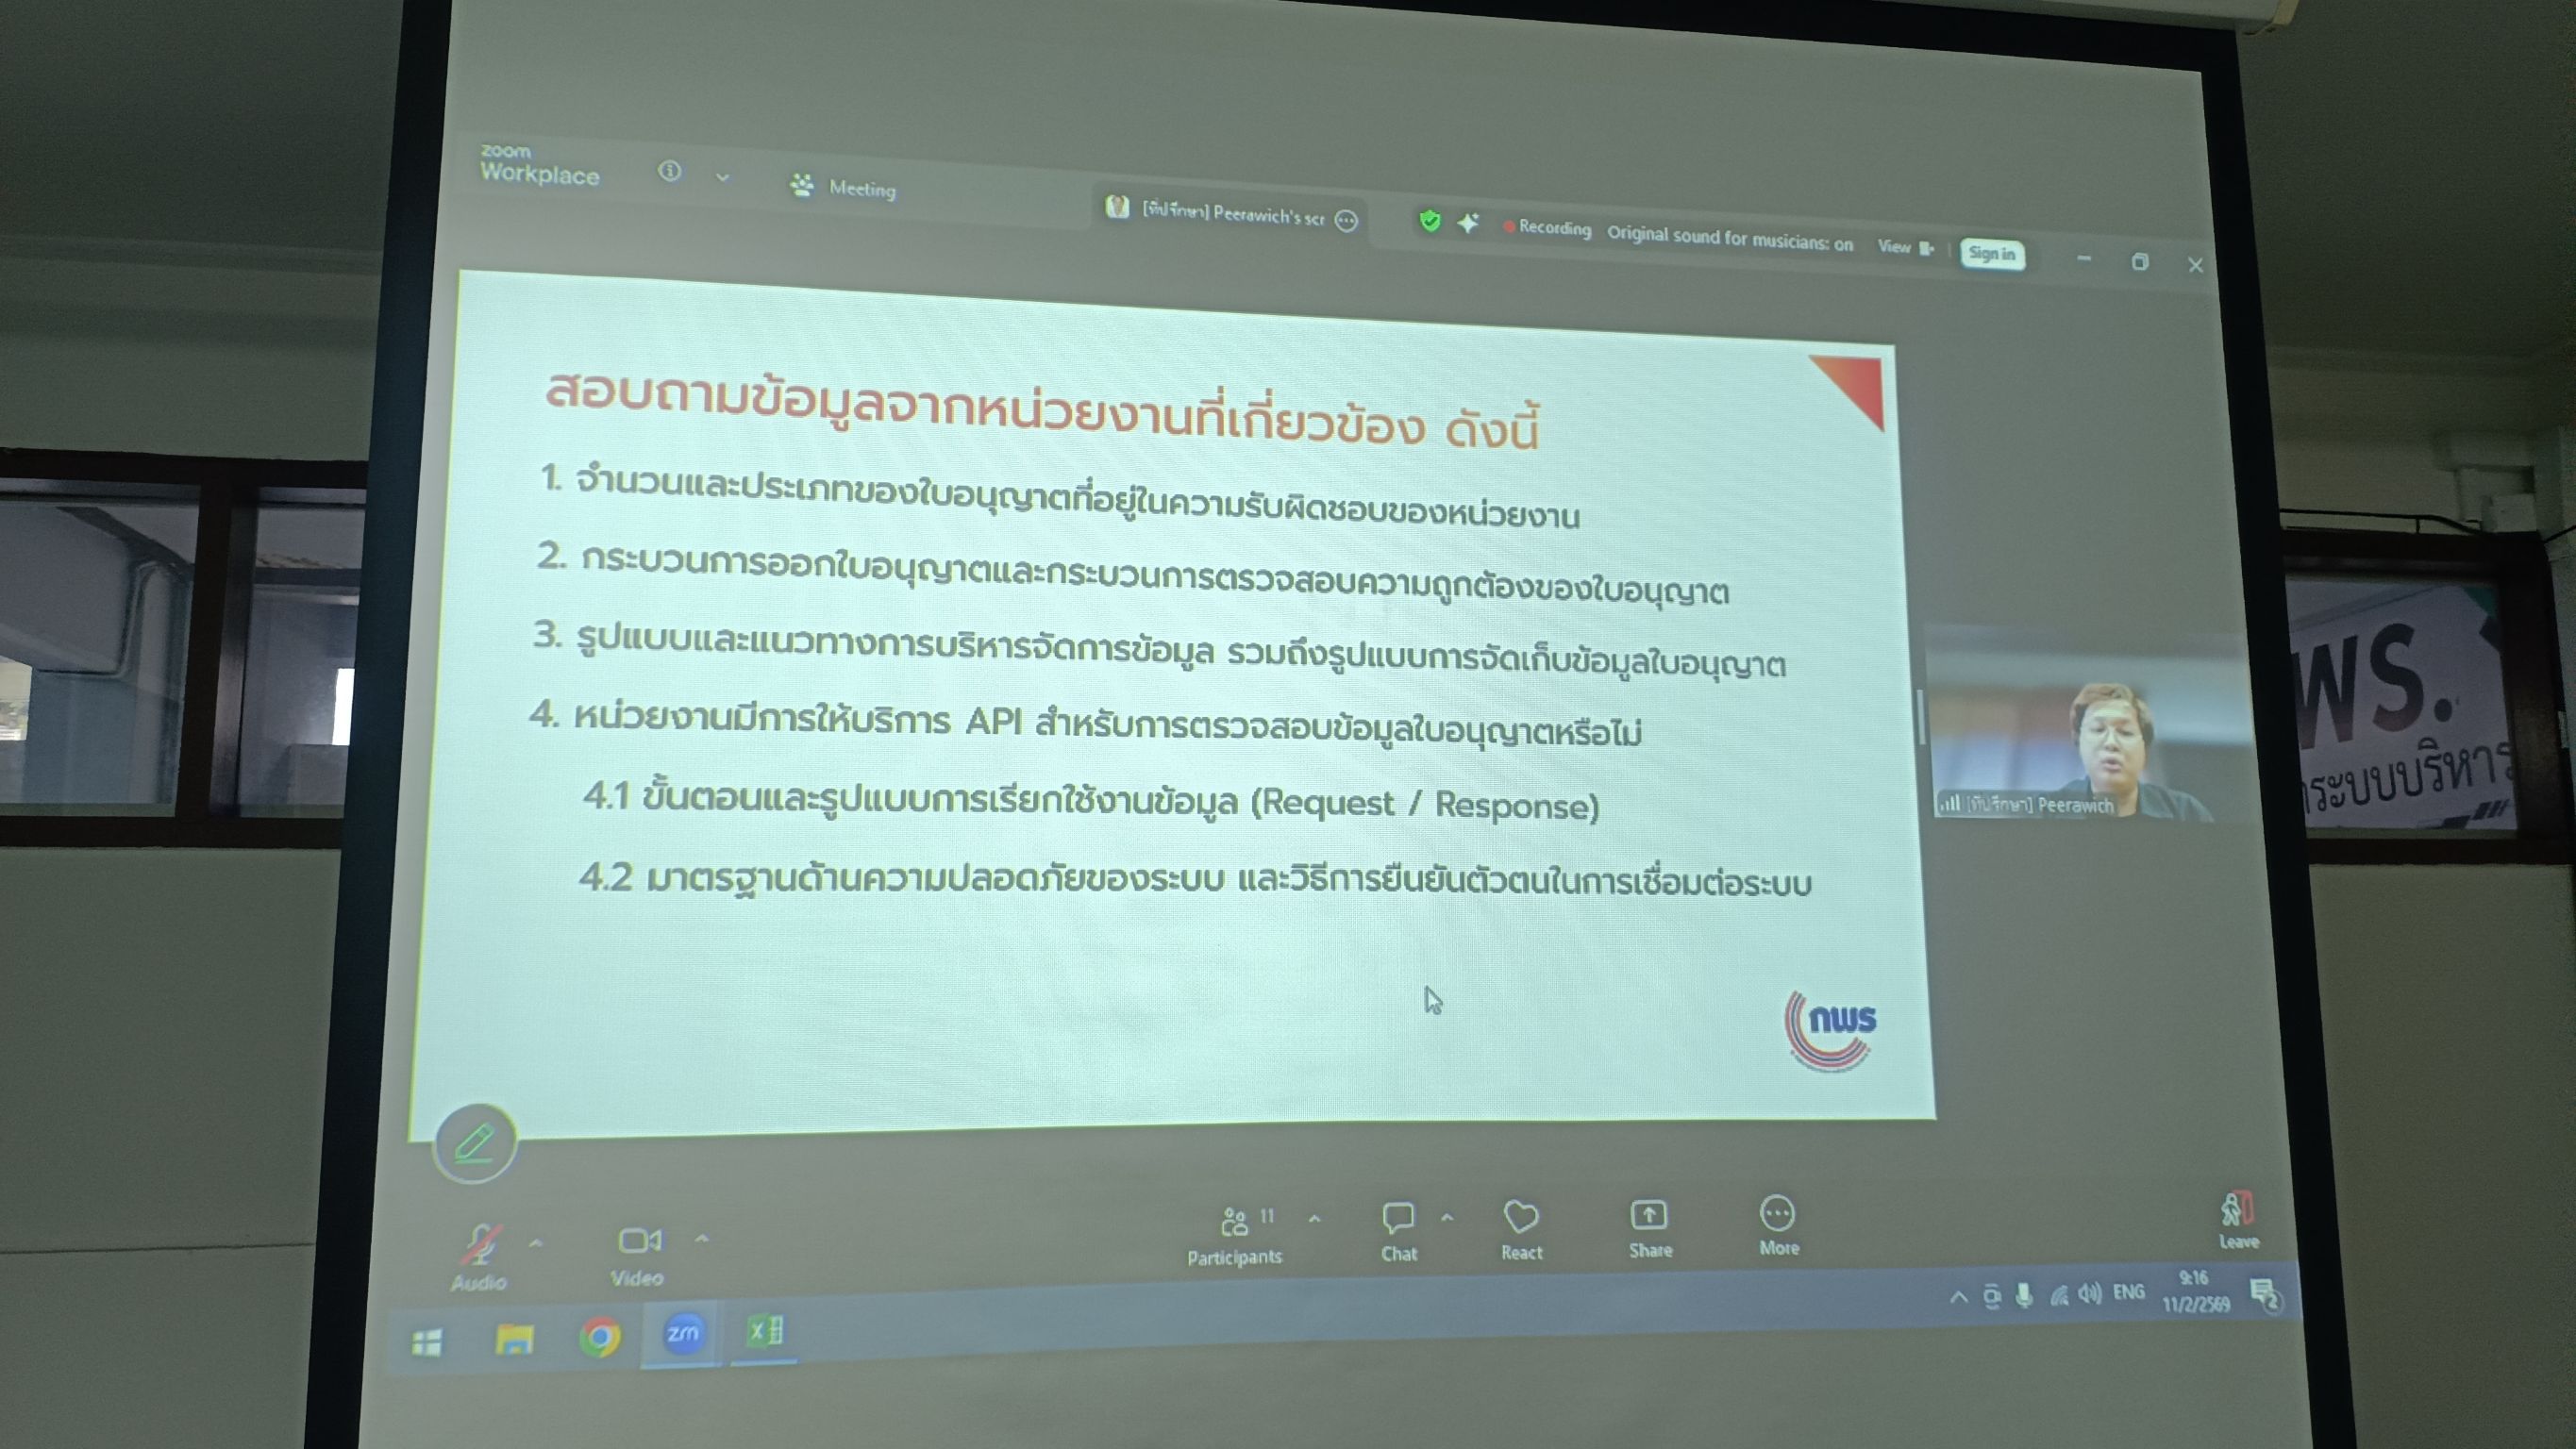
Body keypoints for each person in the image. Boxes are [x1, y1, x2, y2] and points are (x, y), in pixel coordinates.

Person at [2051, 682, 2213, 821]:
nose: (2111, 743)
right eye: (2098, 730)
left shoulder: (2185, 813)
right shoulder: (2046, 811)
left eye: (2125, 732)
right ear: (2079, 742)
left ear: (2144, 748)